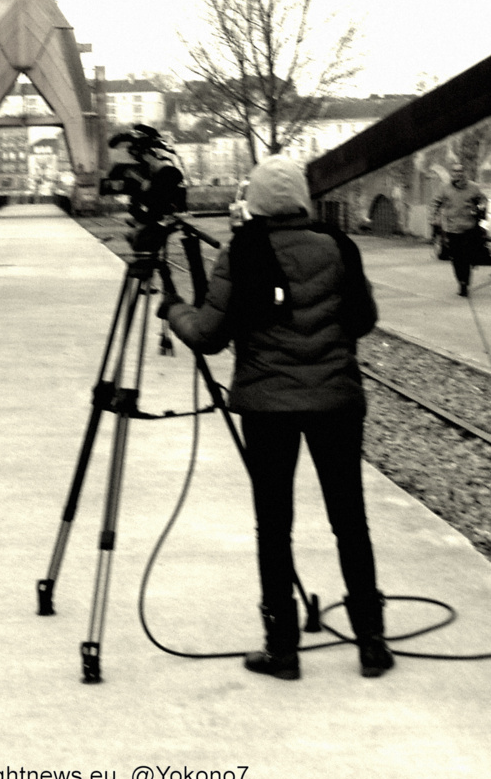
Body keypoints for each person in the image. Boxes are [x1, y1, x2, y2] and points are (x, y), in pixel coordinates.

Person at [162, 154, 393, 681]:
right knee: (350, 521)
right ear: (303, 201)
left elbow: (207, 335)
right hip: (336, 402)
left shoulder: (244, 252)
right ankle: (372, 643)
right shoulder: (339, 246)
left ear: (257, 201)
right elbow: (363, 320)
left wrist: (171, 308)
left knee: (274, 526)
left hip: (268, 410)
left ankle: (282, 650)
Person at [432, 163, 488, 297]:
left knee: (467, 257)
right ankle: (461, 280)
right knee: (456, 259)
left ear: (464, 173)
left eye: (460, 171)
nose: (458, 174)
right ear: (452, 174)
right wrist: (433, 218)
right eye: (455, 172)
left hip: (469, 228)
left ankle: (465, 283)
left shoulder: (473, 187)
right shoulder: (445, 188)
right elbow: (436, 203)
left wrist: (481, 208)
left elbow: (483, 199)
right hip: (453, 229)